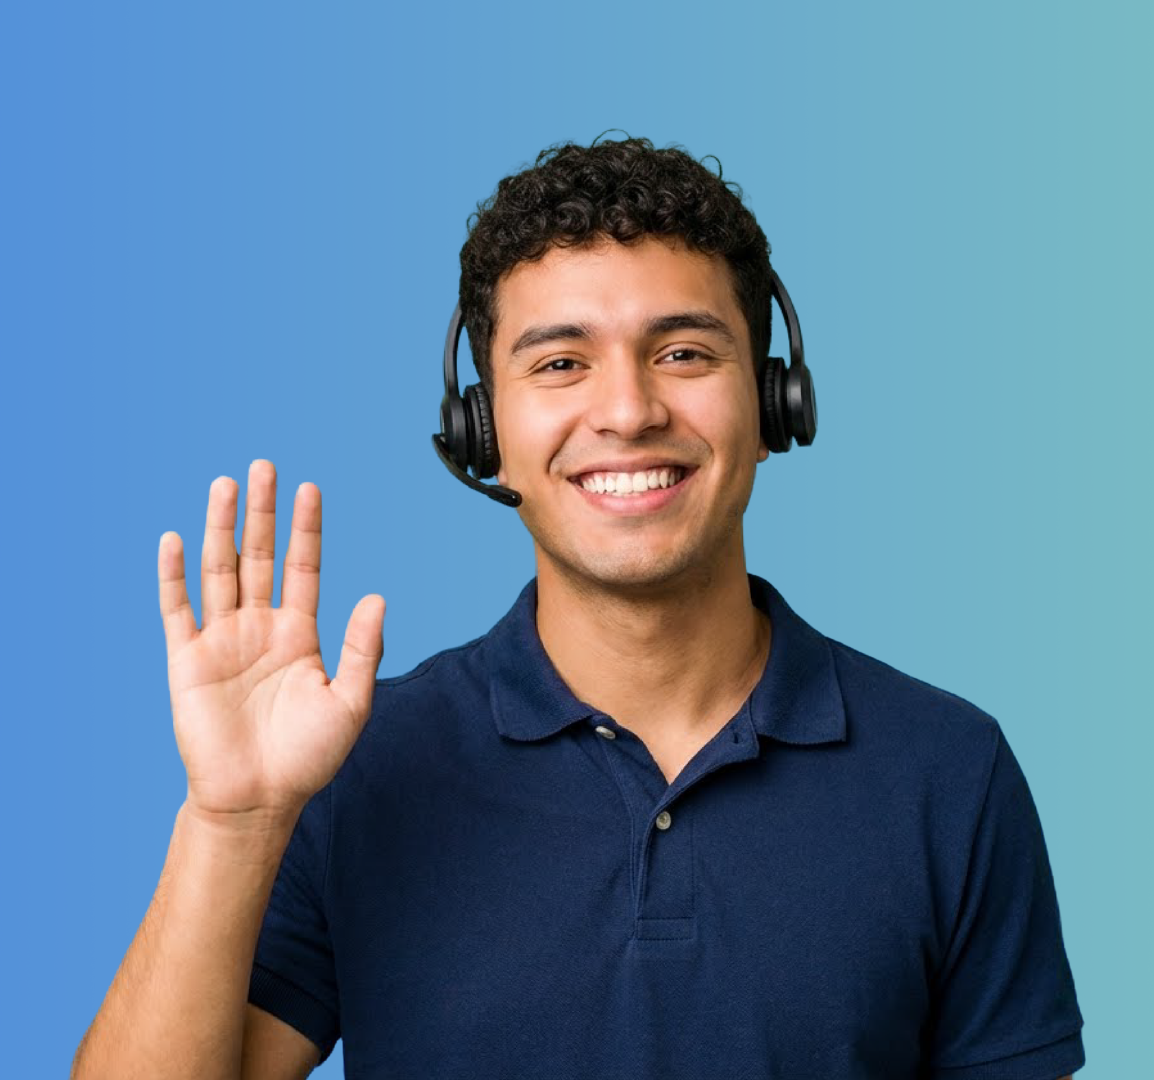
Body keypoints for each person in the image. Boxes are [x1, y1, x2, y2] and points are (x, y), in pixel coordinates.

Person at [73, 136, 1085, 1080]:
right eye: (561, 364)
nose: (629, 411)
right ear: (481, 431)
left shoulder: (947, 771)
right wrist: (232, 822)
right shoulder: (358, 766)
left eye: (683, 353)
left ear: (775, 403)